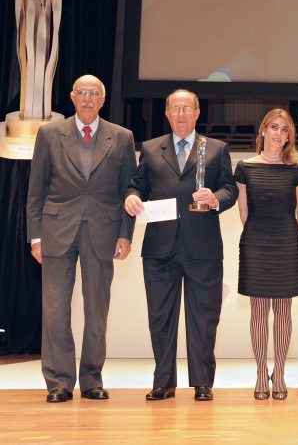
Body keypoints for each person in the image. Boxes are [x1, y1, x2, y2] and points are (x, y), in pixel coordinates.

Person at [27, 75, 137, 403]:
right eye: (82, 93)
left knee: (97, 310)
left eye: (95, 94)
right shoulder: (49, 134)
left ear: (102, 100)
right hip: (55, 232)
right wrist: (35, 237)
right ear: (72, 97)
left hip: (103, 232)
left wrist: (125, 234)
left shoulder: (121, 138)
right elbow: (36, 191)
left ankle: (91, 379)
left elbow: (128, 190)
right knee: (55, 311)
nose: (88, 99)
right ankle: (59, 382)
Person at [124, 89, 237, 401]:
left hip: (203, 247)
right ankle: (163, 382)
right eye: (176, 108)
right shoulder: (149, 148)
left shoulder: (215, 148)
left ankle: (203, 382)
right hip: (160, 248)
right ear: (167, 113)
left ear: (197, 113)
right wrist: (132, 196)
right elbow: (137, 184)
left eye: (188, 108)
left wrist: (216, 199)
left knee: (204, 317)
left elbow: (230, 189)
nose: (182, 114)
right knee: (160, 317)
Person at [234, 109, 298, 401]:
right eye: (274, 127)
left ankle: (278, 372)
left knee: (282, 310)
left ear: (289, 136)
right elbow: (244, 212)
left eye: (285, 129)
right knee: (257, 310)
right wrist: (258, 237)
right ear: (263, 131)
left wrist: (287, 239)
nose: (279, 133)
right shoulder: (245, 167)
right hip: (255, 241)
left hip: (286, 243)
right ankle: (259, 372)